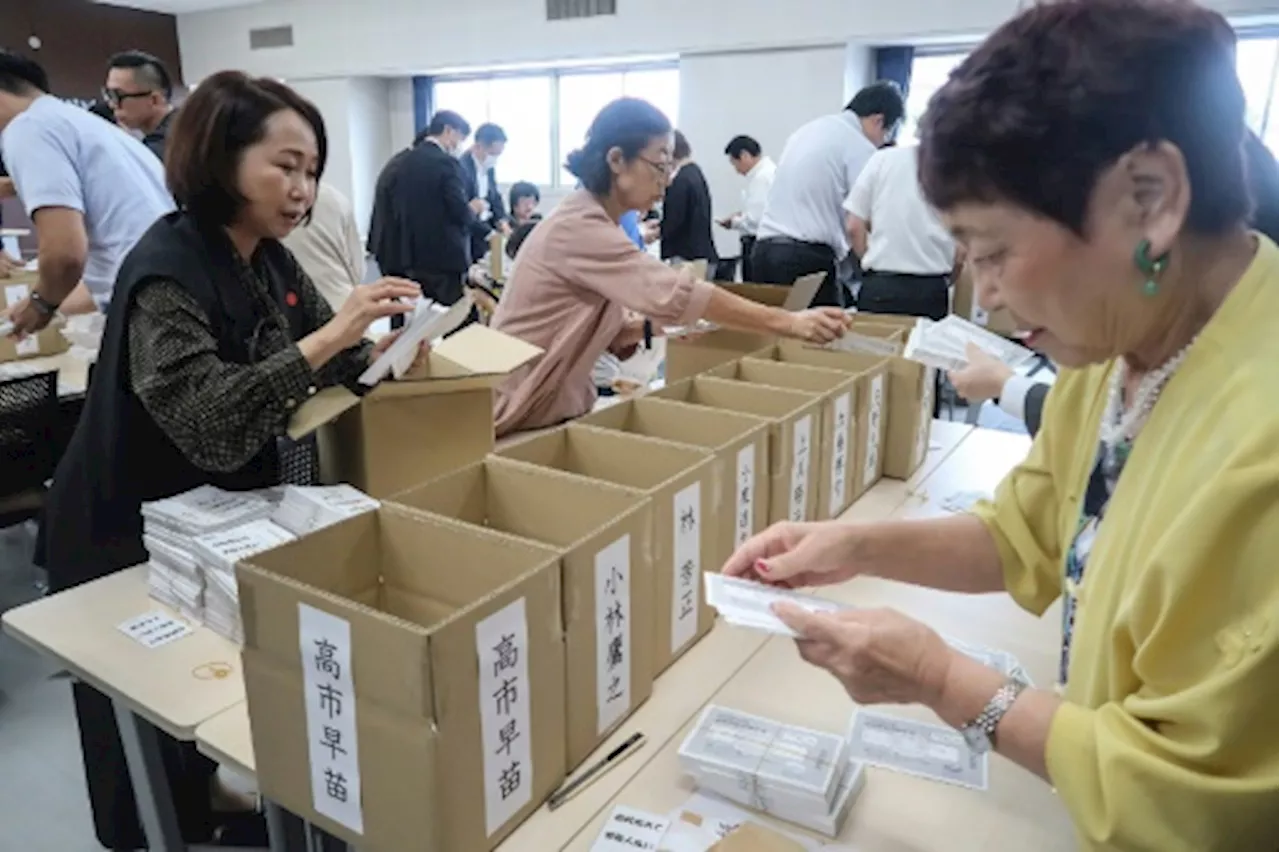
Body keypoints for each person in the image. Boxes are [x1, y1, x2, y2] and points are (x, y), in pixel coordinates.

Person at [725, 2, 1280, 849]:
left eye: (991, 249)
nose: (982, 294)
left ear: (1151, 199)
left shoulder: (1260, 447)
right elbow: (1029, 531)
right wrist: (851, 545)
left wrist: (940, 678)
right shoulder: (1122, 349)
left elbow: (1184, 793)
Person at [37, 70, 421, 850]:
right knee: (144, 735)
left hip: (212, 517)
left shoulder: (269, 259)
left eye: (312, 170)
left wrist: (393, 347)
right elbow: (210, 421)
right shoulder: (167, 268)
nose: (302, 188)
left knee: (214, 707)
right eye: (285, 165)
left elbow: (331, 361)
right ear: (220, 157)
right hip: (124, 527)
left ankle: (216, 807)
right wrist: (331, 338)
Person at [489, 97, 851, 437]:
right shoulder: (579, 226)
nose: (666, 181)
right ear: (616, 160)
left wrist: (660, 326)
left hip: (551, 406)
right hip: (522, 410)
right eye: (659, 165)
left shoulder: (599, 222)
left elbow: (611, 334)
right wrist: (789, 322)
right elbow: (680, 292)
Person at [0, 50, 174, 336]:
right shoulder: (86, 125)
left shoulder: (27, 129)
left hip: (150, 307)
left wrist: (40, 304)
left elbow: (64, 255)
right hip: (170, 292)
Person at [752, 81, 904, 308]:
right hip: (803, 260)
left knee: (776, 336)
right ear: (878, 121)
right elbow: (864, 218)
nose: (883, 142)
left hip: (763, 251)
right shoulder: (859, 145)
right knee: (825, 335)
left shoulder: (809, 130)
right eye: (887, 133)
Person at [375, 110, 480, 313]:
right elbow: (460, 212)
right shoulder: (447, 164)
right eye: (460, 138)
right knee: (450, 318)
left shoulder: (403, 161)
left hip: (411, 256)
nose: (459, 145)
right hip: (445, 258)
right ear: (448, 130)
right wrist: (473, 209)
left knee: (417, 319)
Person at [845, 144, 958, 321]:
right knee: (922, 348)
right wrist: (950, 278)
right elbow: (963, 246)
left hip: (881, 287)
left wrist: (868, 261)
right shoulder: (956, 167)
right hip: (931, 289)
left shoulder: (882, 159)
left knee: (870, 347)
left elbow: (853, 226)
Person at [281, 180, 364, 311]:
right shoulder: (335, 199)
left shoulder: (266, 208)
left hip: (296, 313)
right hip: (345, 306)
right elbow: (358, 270)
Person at [719, 134, 776, 282]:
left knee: (753, 290)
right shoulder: (770, 172)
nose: (736, 170)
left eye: (734, 163)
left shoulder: (761, 178)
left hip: (757, 243)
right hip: (768, 245)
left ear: (744, 156)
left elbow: (755, 220)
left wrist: (734, 222)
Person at [105, 50, 177, 161]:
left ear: (154, 100)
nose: (112, 104)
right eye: (109, 95)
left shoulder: (164, 149)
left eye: (118, 95)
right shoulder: (184, 127)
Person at [660, 130, 717, 265]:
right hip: (701, 254)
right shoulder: (695, 173)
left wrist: (657, 231)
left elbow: (674, 219)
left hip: (686, 257)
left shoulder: (681, 180)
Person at [460, 122, 511, 261]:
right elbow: (463, 209)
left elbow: (494, 196)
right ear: (478, 146)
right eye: (493, 154)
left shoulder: (489, 167)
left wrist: (502, 221)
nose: (494, 159)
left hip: (487, 226)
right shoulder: (461, 168)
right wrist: (489, 233)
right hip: (470, 233)